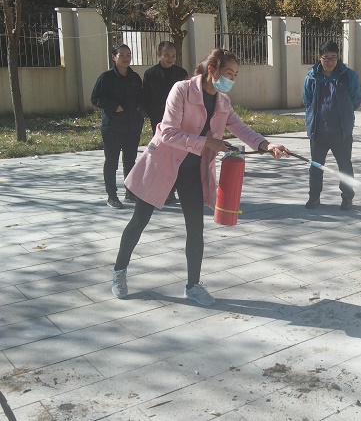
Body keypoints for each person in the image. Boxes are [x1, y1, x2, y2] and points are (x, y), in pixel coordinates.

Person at [111, 48, 290, 306]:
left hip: (192, 170)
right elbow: (168, 133)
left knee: (195, 228)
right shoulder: (182, 90)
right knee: (139, 220)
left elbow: (240, 128)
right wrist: (207, 142)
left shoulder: (222, 101)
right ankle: (119, 271)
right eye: (228, 73)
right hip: (163, 164)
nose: (232, 79)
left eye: (235, 75)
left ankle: (193, 286)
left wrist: (267, 145)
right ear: (212, 71)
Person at [302, 41, 361, 211]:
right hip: (318, 131)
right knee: (316, 166)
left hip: (341, 132)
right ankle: (314, 197)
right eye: (326, 58)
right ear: (319, 58)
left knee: (345, 166)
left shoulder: (348, 76)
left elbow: (356, 99)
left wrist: (345, 113)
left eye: (334, 58)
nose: (330, 62)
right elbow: (307, 100)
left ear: (338, 57)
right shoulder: (312, 77)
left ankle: (347, 197)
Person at [91, 43, 144, 209]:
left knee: (130, 160)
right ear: (114, 57)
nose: (126, 58)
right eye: (122, 55)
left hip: (132, 126)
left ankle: (130, 192)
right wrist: (114, 106)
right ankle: (112, 196)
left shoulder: (135, 78)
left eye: (128, 55)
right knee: (111, 162)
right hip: (112, 127)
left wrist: (140, 114)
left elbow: (141, 99)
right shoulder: (106, 78)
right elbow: (95, 98)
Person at [141, 41, 189, 205]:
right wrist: (150, 114)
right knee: (160, 155)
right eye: (167, 55)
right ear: (158, 54)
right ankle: (160, 189)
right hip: (159, 121)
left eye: (173, 56)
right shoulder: (150, 74)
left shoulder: (181, 73)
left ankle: (174, 189)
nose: (170, 59)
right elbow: (146, 97)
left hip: (178, 120)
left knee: (176, 155)